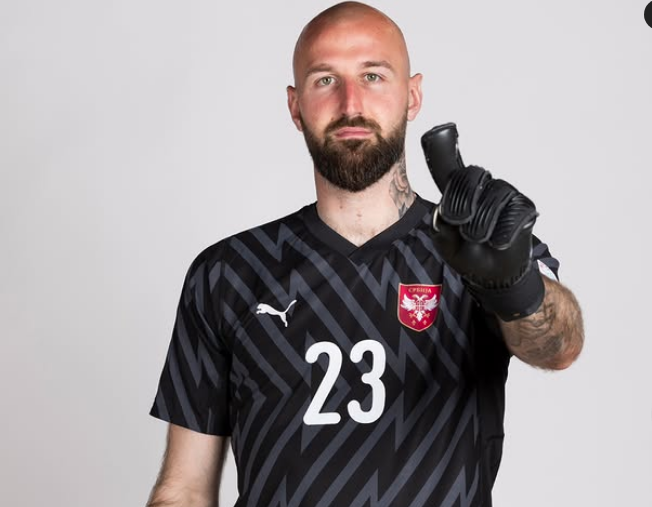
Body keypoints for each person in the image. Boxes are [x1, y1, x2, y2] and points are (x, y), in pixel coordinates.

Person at [146, 2, 584, 506]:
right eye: (325, 80)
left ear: (412, 96)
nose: (350, 102)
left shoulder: (478, 248)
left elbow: (560, 347)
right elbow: (184, 488)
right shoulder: (228, 273)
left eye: (373, 75)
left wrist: (514, 287)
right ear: (295, 106)